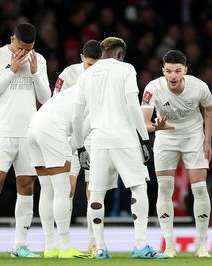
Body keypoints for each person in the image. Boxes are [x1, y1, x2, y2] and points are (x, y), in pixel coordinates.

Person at [72, 36, 167, 260]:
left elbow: (77, 116)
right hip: (124, 139)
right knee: (138, 188)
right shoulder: (125, 69)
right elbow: (134, 107)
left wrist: (79, 146)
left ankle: (101, 248)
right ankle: (141, 245)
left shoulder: (86, 75)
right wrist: (144, 140)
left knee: (96, 193)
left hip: (98, 140)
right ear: (121, 54)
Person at [0, 22, 50, 258]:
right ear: (12, 39)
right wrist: (11, 70)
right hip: (2, 132)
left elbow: (45, 98)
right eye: (21, 47)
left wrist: (35, 73)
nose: (25, 52)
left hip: (28, 133)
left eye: (29, 48)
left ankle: (20, 246)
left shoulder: (39, 60)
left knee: (26, 187)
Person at [142, 50, 212, 258]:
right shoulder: (153, 88)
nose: (172, 76)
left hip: (193, 136)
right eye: (168, 71)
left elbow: (210, 111)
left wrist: (207, 139)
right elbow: (144, 121)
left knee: (200, 189)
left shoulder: (199, 87)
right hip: (165, 137)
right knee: (164, 187)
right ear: (163, 71)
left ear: (185, 70)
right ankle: (169, 245)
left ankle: (201, 245)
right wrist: (155, 127)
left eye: (177, 71)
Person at [27, 88, 91, 259]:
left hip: (33, 128)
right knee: (62, 191)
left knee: (47, 191)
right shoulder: (97, 94)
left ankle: (50, 248)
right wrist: (80, 150)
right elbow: (81, 133)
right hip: (52, 131)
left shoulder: (75, 88)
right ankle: (65, 247)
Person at [52, 39, 101, 254]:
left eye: (96, 64)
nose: (92, 69)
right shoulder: (68, 74)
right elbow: (54, 103)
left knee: (93, 191)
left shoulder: (105, 76)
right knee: (68, 188)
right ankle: (65, 243)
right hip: (70, 136)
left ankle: (93, 243)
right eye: (89, 64)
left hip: (94, 136)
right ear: (82, 58)